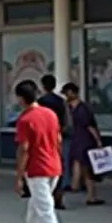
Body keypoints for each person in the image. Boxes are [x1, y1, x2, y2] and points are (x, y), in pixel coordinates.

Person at [11, 80, 71, 223]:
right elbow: (58, 139)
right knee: (35, 207)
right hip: (54, 164)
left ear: (20, 98)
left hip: (37, 168)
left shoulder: (25, 120)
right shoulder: (50, 114)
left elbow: (24, 149)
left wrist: (19, 176)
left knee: (45, 210)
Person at [63, 82, 105, 205]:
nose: (66, 95)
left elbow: (87, 125)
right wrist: (98, 140)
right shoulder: (81, 108)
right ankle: (90, 194)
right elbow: (90, 126)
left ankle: (76, 184)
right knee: (87, 168)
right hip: (83, 139)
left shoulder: (71, 108)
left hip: (78, 139)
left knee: (80, 163)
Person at [38, 74, 70, 209]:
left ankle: (47, 195)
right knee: (59, 165)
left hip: (44, 136)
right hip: (58, 135)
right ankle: (59, 196)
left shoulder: (41, 101)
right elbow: (66, 120)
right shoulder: (61, 101)